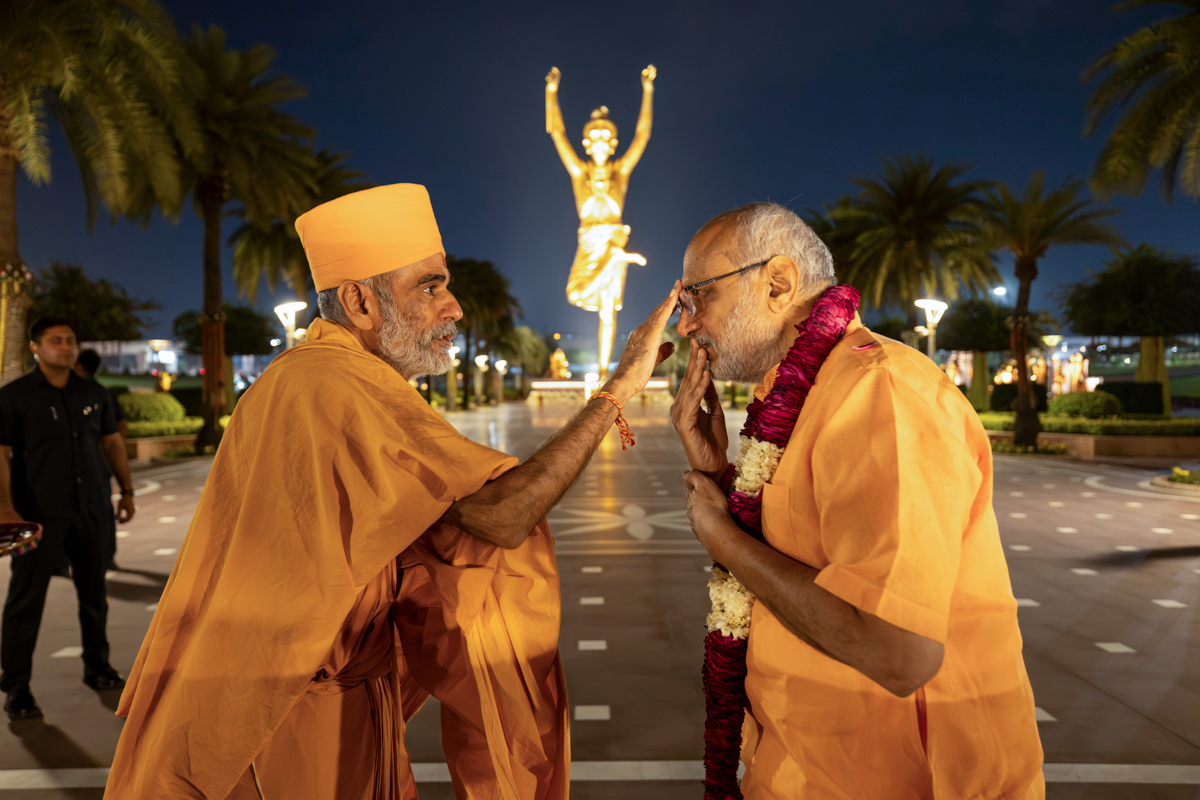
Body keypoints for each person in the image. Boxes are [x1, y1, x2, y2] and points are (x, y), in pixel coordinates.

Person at [107, 183, 680, 800]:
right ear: (358, 300)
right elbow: (501, 515)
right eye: (429, 286)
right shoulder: (332, 383)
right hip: (283, 725)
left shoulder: (319, 375)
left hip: (322, 702)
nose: (454, 306)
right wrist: (617, 389)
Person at [671, 203, 1044, 799]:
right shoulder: (802, 392)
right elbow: (799, 553)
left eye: (696, 297)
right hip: (800, 766)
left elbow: (896, 650)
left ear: (778, 283)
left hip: (902, 778)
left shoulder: (879, 394)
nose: (686, 324)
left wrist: (724, 540)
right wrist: (717, 478)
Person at [0, 318, 136, 721]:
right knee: (26, 601)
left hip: (91, 508)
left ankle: (98, 667)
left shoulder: (94, 393)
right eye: (55, 341)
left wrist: (126, 492)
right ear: (35, 348)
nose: (65, 346)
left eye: (70, 340)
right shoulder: (15, 397)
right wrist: (6, 509)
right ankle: (17, 687)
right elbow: (1, 454)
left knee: (94, 595)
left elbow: (111, 441)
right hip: (39, 514)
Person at [75, 349, 127, 570]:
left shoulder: (92, 393)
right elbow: (120, 429)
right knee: (101, 512)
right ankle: (106, 554)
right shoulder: (103, 393)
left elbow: (113, 435)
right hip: (98, 464)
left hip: (87, 463)